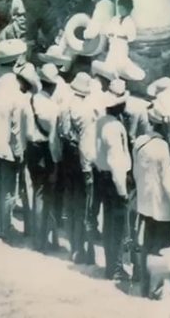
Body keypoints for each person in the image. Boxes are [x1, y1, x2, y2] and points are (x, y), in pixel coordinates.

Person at [133, 97, 170, 297]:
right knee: (161, 248)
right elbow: (168, 183)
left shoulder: (139, 142)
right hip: (162, 207)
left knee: (147, 243)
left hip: (145, 202)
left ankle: (145, 285)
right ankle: (155, 289)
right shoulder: (162, 147)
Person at [94, 79, 133, 281]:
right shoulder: (115, 127)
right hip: (114, 178)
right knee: (117, 225)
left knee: (109, 222)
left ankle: (112, 265)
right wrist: (122, 190)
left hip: (102, 175)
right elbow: (116, 160)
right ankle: (116, 268)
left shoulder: (101, 121)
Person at [0, 68, 28, 242]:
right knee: (9, 190)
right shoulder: (17, 97)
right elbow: (16, 130)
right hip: (7, 148)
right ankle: (5, 228)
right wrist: (18, 152)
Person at [60, 71, 101, 265]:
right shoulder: (87, 112)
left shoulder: (66, 105)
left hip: (68, 158)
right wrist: (88, 169)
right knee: (86, 208)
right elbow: (86, 144)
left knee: (72, 205)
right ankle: (84, 250)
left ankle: (74, 246)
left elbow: (64, 132)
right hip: (82, 159)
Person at [24, 62, 62, 252]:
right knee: (44, 196)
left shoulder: (29, 100)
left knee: (36, 191)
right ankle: (41, 240)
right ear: (53, 85)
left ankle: (39, 235)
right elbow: (54, 140)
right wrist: (55, 163)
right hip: (44, 151)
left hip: (31, 149)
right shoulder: (52, 108)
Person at [93, 0, 146, 82]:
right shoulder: (115, 19)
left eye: (124, 9)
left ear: (129, 10)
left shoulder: (130, 22)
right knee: (110, 64)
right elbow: (108, 30)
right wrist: (110, 34)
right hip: (113, 45)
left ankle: (119, 81)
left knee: (121, 64)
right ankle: (110, 80)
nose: (121, 11)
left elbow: (131, 37)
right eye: (120, 8)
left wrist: (120, 36)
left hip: (121, 46)